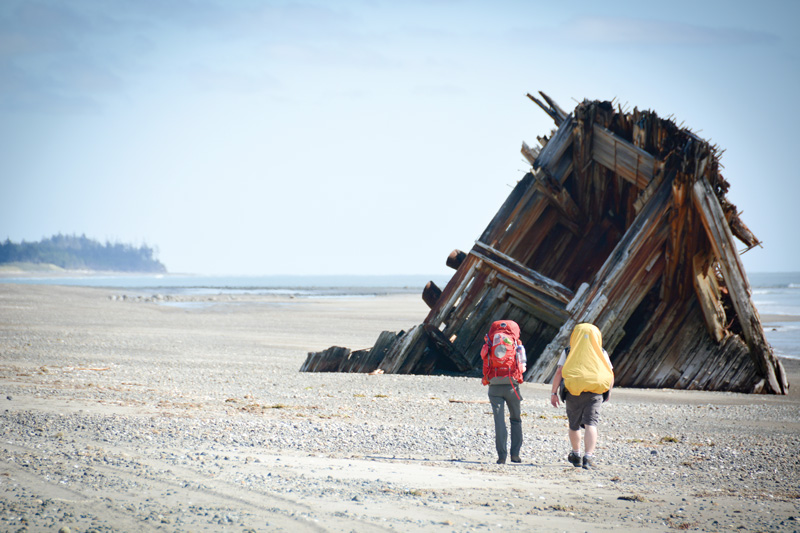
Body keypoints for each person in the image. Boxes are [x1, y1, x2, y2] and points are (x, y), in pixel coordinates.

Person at [549, 323, 614, 470]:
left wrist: (554, 393)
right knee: (591, 423)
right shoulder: (601, 351)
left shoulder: (568, 351)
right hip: (595, 390)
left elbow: (559, 372)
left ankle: (576, 454)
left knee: (574, 424)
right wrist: (608, 392)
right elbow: (610, 373)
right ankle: (588, 457)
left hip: (573, 390)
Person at [481, 320, 526, 464]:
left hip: (494, 385)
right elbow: (523, 366)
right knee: (516, 419)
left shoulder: (490, 343)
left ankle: (501, 456)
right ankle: (515, 455)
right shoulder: (517, 345)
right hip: (512, 385)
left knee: (499, 421)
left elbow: (485, 360)